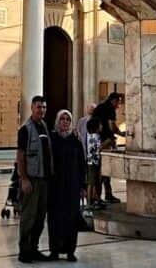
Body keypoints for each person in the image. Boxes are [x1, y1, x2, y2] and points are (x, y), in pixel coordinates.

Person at [16, 95, 53, 263]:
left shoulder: (44, 127)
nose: (42, 110)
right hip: (32, 180)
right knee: (28, 217)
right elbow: (21, 156)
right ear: (32, 108)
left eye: (44, 107)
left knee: (39, 217)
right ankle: (24, 251)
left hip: (44, 180)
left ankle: (34, 248)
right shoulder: (26, 129)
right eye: (39, 107)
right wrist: (24, 179)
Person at [47, 109, 86, 261]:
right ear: (58, 121)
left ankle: (70, 250)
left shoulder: (75, 140)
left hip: (72, 186)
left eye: (68, 119)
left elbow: (81, 164)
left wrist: (83, 186)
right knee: (55, 218)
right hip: (55, 186)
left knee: (71, 218)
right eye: (62, 119)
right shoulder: (53, 138)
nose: (65, 122)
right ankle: (54, 250)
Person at [92, 92, 122, 202]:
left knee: (101, 170)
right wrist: (121, 134)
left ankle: (105, 194)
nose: (119, 105)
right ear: (114, 100)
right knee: (104, 170)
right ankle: (97, 196)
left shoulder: (100, 106)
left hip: (95, 140)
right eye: (119, 102)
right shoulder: (110, 109)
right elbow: (112, 126)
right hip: (105, 141)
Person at [84, 117, 104, 208]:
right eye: (100, 125)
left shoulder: (89, 135)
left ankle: (94, 200)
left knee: (94, 182)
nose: (101, 126)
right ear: (96, 127)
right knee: (91, 182)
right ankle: (89, 202)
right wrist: (107, 142)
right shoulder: (96, 136)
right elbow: (99, 148)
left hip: (90, 161)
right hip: (94, 162)